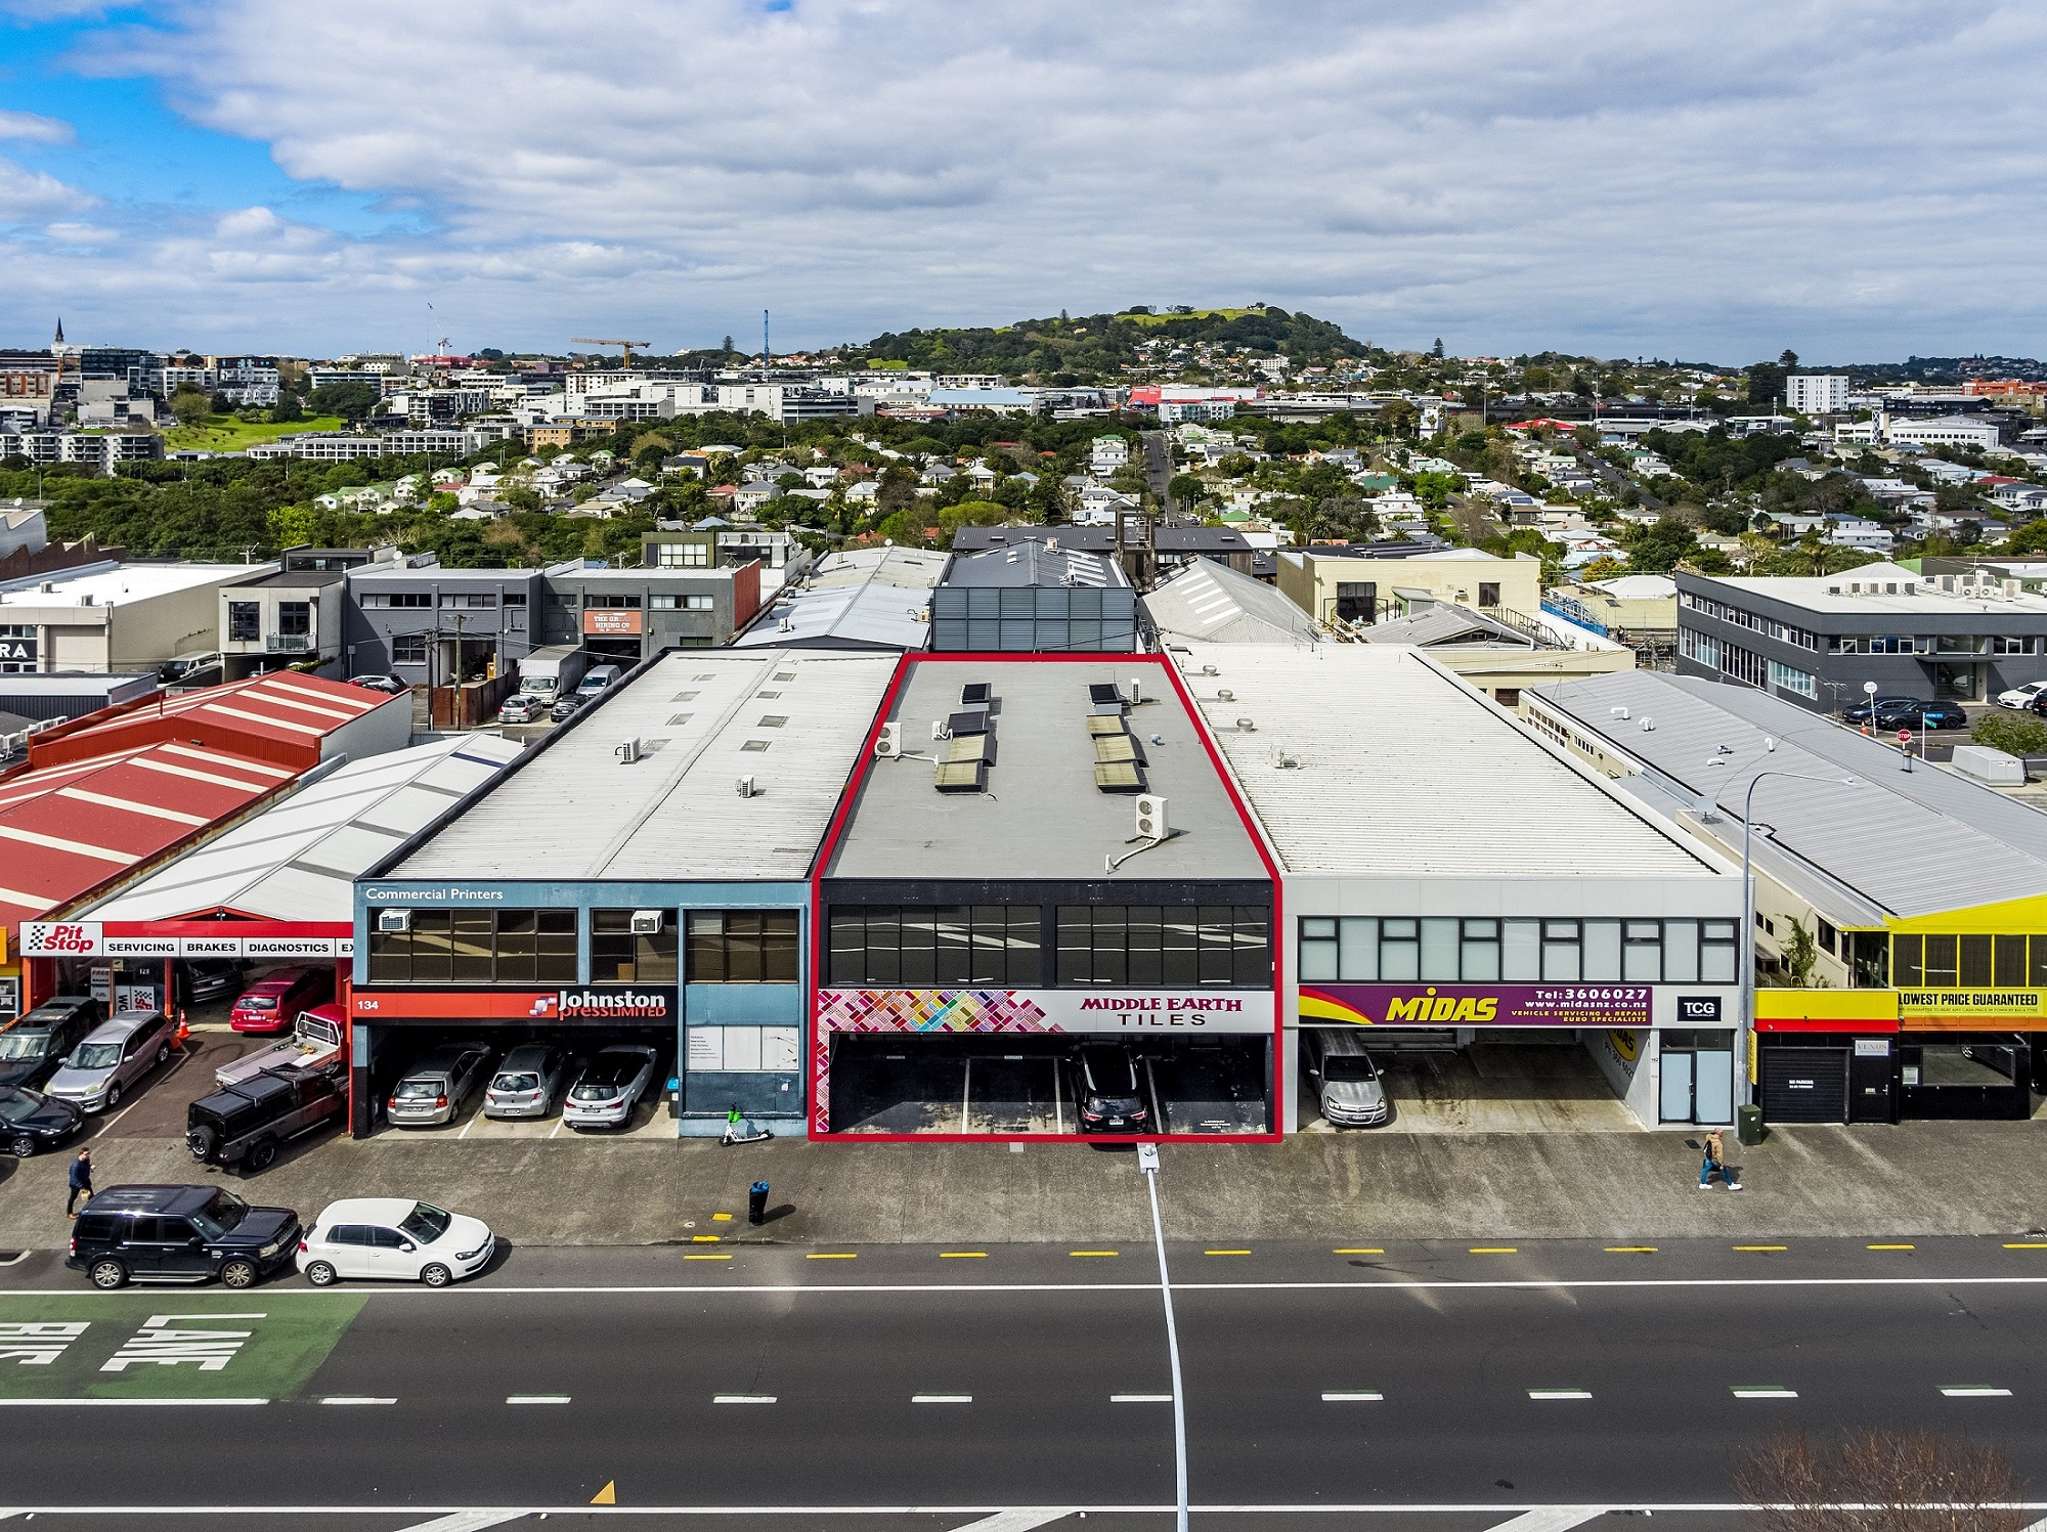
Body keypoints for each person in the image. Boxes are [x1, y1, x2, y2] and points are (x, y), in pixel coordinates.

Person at [65, 1149, 93, 1217]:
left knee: (90, 1196)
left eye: (88, 1154)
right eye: (86, 1154)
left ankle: (92, 1210)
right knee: (73, 1197)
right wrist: (81, 1187)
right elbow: (74, 1177)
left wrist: (90, 1168)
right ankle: (69, 1213)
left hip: (85, 1181)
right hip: (76, 1185)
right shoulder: (76, 1165)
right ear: (81, 1154)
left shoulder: (86, 1160)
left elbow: (86, 1167)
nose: (87, 1155)